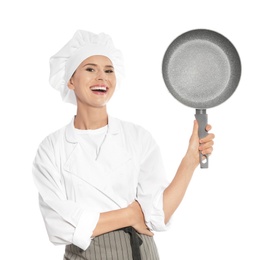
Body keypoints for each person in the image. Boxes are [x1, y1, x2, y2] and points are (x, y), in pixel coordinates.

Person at [32, 30, 215, 260]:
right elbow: (58, 226)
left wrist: (190, 161)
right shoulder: (51, 148)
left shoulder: (137, 137)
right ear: (70, 80)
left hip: (140, 251)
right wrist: (130, 214)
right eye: (90, 69)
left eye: (109, 71)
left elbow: (157, 215)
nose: (102, 77)